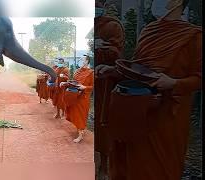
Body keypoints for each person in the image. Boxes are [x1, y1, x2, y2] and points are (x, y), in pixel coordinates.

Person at [96, 0, 202, 179]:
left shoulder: (194, 36)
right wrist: (113, 71)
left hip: (168, 115)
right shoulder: (148, 31)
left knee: (159, 168)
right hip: (138, 111)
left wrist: (175, 83)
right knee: (132, 163)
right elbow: (138, 69)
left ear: (177, 2)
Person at [94, 1, 125, 179]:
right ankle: (99, 162)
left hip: (108, 82)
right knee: (97, 124)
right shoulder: (90, 25)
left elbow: (117, 54)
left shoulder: (112, 25)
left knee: (105, 123)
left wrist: (103, 47)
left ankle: (106, 167)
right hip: (94, 82)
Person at [60, 55, 94, 143]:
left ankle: (80, 135)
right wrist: (65, 83)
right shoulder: (77, 71)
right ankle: (80, 130)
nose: (80, 60)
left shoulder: (91, 73)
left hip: (83, 98)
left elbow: (93, 87)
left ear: (87, 61)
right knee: (74, 114)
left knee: (80, 116)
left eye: (82, 59)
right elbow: (73, 82)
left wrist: (85, 87)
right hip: (75, 96)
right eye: (79, 59)